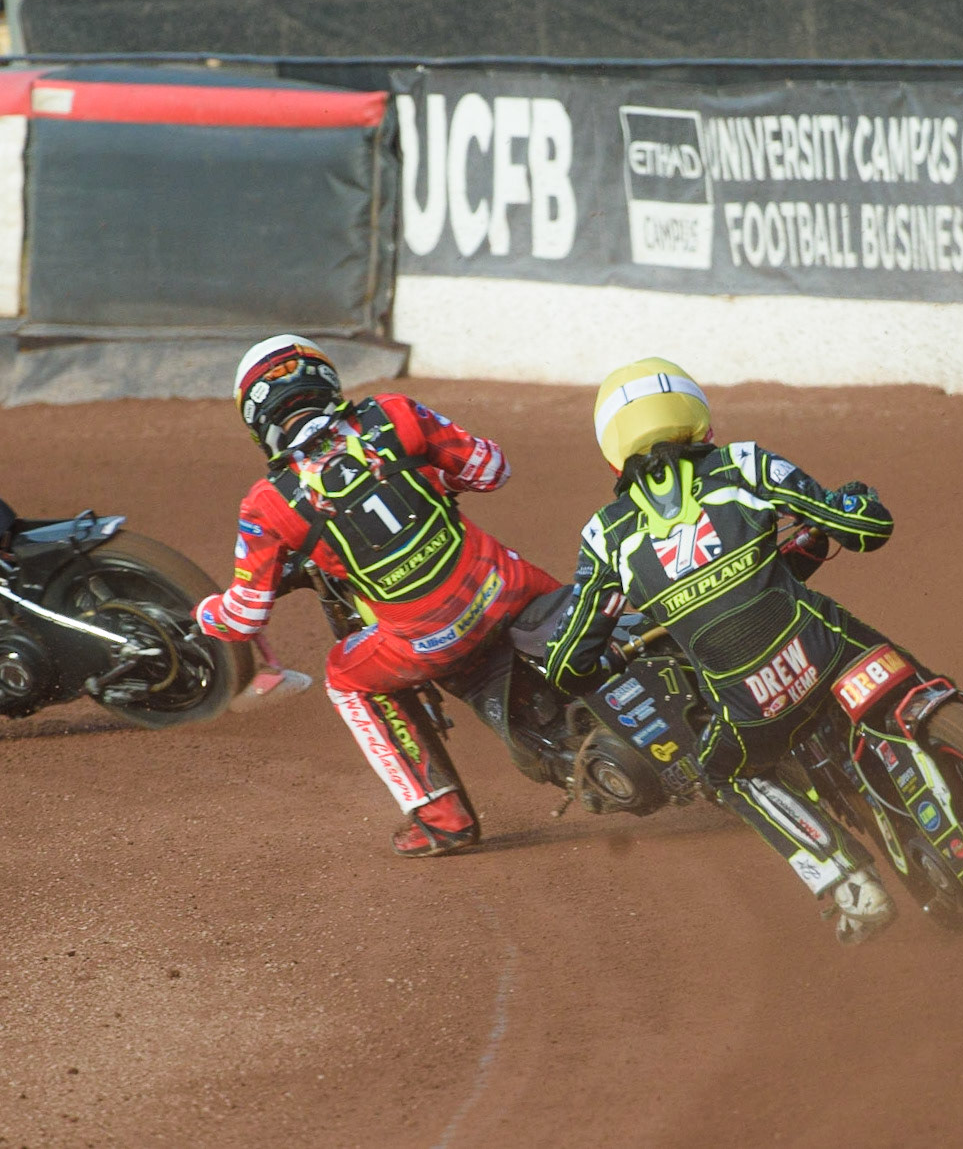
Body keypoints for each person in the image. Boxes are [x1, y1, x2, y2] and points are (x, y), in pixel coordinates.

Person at [541, 357, 905, 943]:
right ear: (699, 420)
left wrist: (602, 659)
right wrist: (859, 500)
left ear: (613, 450)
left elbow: (566, 663)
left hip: (752, 706)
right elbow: (864, 530)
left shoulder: (606, 532)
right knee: (915, 681)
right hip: (830, 651)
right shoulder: (745, 462)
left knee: (724, 772)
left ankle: (847, 882)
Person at [196, 334, 560, 857]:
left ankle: (441, 818)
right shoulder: (393, 413)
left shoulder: (267, 504)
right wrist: (429, 474)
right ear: (325, 379)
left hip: (427, 643)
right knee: (580, 598)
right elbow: (491, 470)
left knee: (346, 676)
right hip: (507, 587)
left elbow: (244, 617)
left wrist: (205, 612)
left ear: (258, 420)